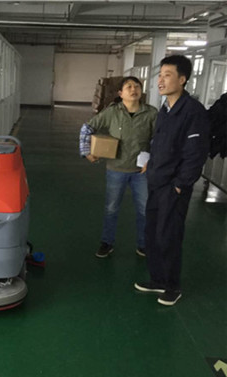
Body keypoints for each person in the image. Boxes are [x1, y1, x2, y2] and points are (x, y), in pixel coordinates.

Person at [134, 55, 210, 306]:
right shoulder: (166, 109)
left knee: (169, 236)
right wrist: (150, 162)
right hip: (156, 182)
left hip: (173, 187)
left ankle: (172, 285)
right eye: (160, 75)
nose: (161, 80)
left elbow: (195, 154)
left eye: (167, 75)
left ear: (182, 79)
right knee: (153, 233)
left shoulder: (192, 112)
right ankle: (157, 279)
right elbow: (159, 143)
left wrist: (180, 184)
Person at [83, 76, 158, 258]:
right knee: (111, 208)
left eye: (137, 86)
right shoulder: (112, 112)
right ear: (120, 93)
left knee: (144, 209)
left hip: (141, 171)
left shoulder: (151, 113)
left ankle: (143, 244)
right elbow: (88, 127)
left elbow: (159, 138)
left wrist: (153, 160)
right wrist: (86, 150)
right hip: (116, 169)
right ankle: (107, 242)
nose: (134, 89)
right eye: (129, 87)